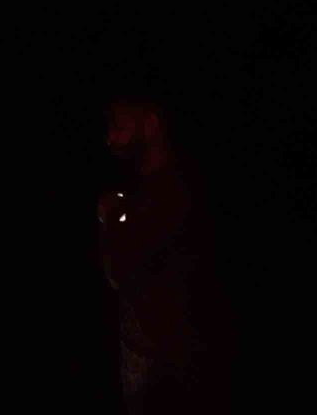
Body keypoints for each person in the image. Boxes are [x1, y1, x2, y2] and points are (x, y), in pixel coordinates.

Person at [98, 97, 222, 415]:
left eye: (119, 126)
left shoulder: (170, 194)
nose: (110, 138)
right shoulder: (153, 189)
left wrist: (111, 217)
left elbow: (118, 272)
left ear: (150, 124)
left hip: (162, 373)